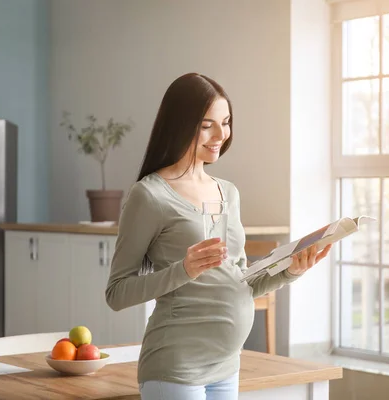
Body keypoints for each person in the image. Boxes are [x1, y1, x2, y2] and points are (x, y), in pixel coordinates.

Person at [105, 72, 332, 400]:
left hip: (227, 366)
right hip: (177, 367)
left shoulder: (228, 192)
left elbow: (239, 283)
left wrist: (290, 271)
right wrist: (184, 270)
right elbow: (117, 293)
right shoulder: (150, 195)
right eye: (207, 124)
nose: (221, 134)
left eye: (225, 122)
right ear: (180, 124)